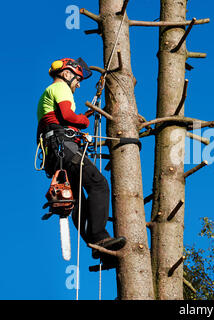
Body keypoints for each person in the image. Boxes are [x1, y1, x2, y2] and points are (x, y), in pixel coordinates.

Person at [37, 58, 124, 258]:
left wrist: (78, 124)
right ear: (66, 74)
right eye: (77, 78)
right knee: (98, 184)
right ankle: (100, 237)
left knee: (77, 200)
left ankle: (97, 246)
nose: (78, 83)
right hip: (64, 149)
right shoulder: (60, 88)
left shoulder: (46, 95)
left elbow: (58, 121)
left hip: (55, 154)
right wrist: (83, 120)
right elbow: (68, 116)